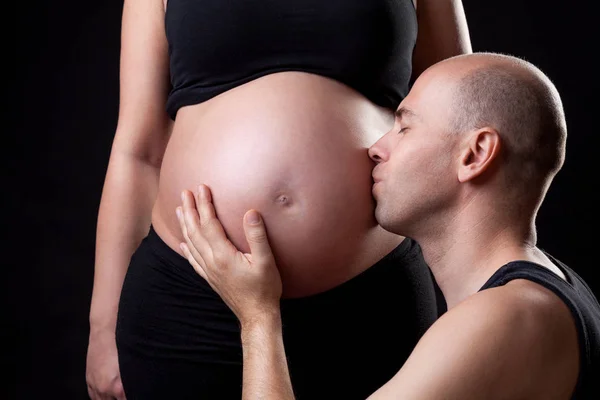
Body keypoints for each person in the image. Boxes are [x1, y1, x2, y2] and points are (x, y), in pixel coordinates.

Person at [85, 0, 473, 399]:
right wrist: (102, 329)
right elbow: (138, 154)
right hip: (192, 291)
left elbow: (464, 129)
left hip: (371, 297)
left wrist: (477, 311)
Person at [176, 52, 600, 399]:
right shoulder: (549, 289)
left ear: (475, 155)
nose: (377, 148)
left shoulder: (506, 318)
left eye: (404, 126)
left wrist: (257, 316)